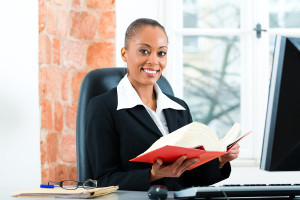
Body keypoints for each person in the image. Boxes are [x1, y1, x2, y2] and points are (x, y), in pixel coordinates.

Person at [86, 18, 240, 191]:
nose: (154, 61)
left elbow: (189, 176)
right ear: (124, 54)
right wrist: (153, 175)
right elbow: (103, 179)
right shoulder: (103, 107)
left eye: (161, 53)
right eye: (144, 51)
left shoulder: (179, 108)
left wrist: (220, 160)